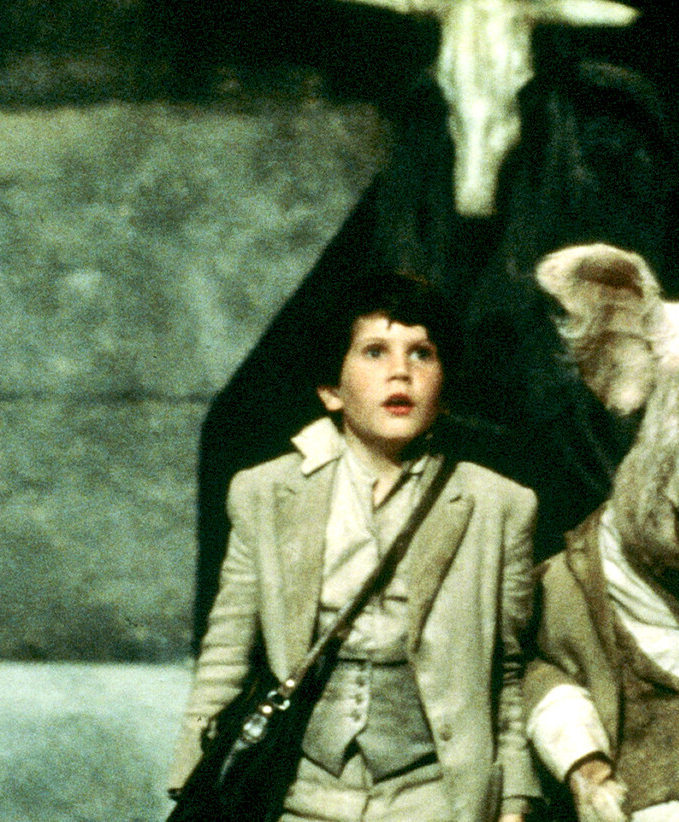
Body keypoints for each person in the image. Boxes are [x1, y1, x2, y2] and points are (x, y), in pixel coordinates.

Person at [167, 271, 538, 822]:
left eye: (422, 354)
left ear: (443, 390)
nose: (400, 372)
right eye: (374, 352)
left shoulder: (497, 505)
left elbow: (506, 677)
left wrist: (513, 805)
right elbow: (226, 653)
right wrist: (192, 780)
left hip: (434, 796)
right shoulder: (266, 493)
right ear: (331, 391)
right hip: (298, 791)